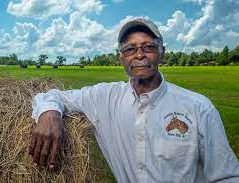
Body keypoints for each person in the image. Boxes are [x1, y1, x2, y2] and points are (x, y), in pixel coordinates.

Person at [29, 18, 239, 182]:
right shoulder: (104, 97)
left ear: (162, 52)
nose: (139, 55)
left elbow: (227, 176)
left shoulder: (198, 107)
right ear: (121, 57)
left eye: (148, 47)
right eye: (130, 49)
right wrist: (49, 113)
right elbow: (53, 96)